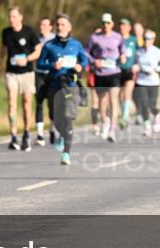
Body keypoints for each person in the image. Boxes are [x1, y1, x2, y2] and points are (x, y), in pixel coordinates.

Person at [37, 15, 91, 165]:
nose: (60, 27)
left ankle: (66, 153)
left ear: (69, 27)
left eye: (63, 25)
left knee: (67, 118)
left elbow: (85, 60)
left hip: (71, 85)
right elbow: (40, 64)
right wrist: (52, 66)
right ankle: (62, 135)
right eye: (58, 25)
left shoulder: (76, 44)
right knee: (55, 117)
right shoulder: (49, 46)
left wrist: (81, 66)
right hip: (54, 84)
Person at [0, 7, 42, 152]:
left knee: (26, 103)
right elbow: (3, 48)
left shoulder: (29, 32)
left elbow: (38, 49)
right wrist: (0, 62)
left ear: (20, 17)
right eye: (9, 17)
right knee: (11, 103)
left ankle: (26, 133)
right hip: (11, 72)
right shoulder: (6, 32)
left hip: (27, 72)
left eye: (13, 16)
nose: (11, 19)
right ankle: (13, 135)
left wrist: (27, 59)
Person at [85, 13, 125, 142]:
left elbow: (123, 51)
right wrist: (93, 61)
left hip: (114, 72)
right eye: (103, 23)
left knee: (114, 99)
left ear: (112, 24)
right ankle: (105, 121)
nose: (106, 25)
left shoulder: (118, 37)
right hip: (100, 73)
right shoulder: (94, 38)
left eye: (108, 23)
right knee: (102, 101)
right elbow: (86, 52)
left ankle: (112, 129)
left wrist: (123, 57)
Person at [132, 30, 160, 137]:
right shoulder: (139, 51)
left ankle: (157, 117)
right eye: (145, 38)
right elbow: (135, 63)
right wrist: (135, 67)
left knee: (152, 104)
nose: (146, 41)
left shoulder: (156, 51)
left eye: (149, 39)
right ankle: (147, 126)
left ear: (153, 40)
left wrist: (156, 69)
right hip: (141, 80)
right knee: (144, 104)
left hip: (153, 81)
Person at [34, 17, 55, 146]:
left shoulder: (55, 39)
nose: (42, 27)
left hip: (52, 74)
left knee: (52, 104)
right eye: (41, 24)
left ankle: (52, 128)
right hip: (39, 73)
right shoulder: (36, 39)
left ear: (51, 27)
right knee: (39, 102)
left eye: (45, 24)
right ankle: (40, 134)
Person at [118, 18, 138, 129]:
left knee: (127, 93)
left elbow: (140, 52)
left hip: (130, 69)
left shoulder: (134, 40)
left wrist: (137, 64)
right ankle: (125, 113)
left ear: (129, 28)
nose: (122, 27)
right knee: (121, 95)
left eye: (124, 25)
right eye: (121, 25)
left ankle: (125, 118)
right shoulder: (116, 39)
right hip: (118, 69)